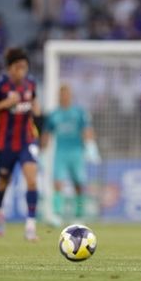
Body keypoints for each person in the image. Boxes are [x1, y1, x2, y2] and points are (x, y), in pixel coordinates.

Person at [0, 47, 41, 241]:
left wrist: (36, 108)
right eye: (18, 67)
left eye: (24, 67)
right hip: (5, 143)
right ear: (10, 68)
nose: (21, 71)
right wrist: (5, 104)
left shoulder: (31, 83)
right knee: (3, 181)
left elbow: (35, 102)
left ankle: (30, 226)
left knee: (32, 180)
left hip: (27, 140)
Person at [41, 84, 100, 222]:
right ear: (59, 97)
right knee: (57, 183)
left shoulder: (79, 112)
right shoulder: (54, 114)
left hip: (76, 152)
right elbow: (46, 133)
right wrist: (42, 152)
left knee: (78, 184)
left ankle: (79, 214)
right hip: (61, 153)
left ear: (71, 96)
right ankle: (56, 215)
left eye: (67, 94)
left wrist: (91, 146)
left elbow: (87, 130)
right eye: (62, 95)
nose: (64, 97)